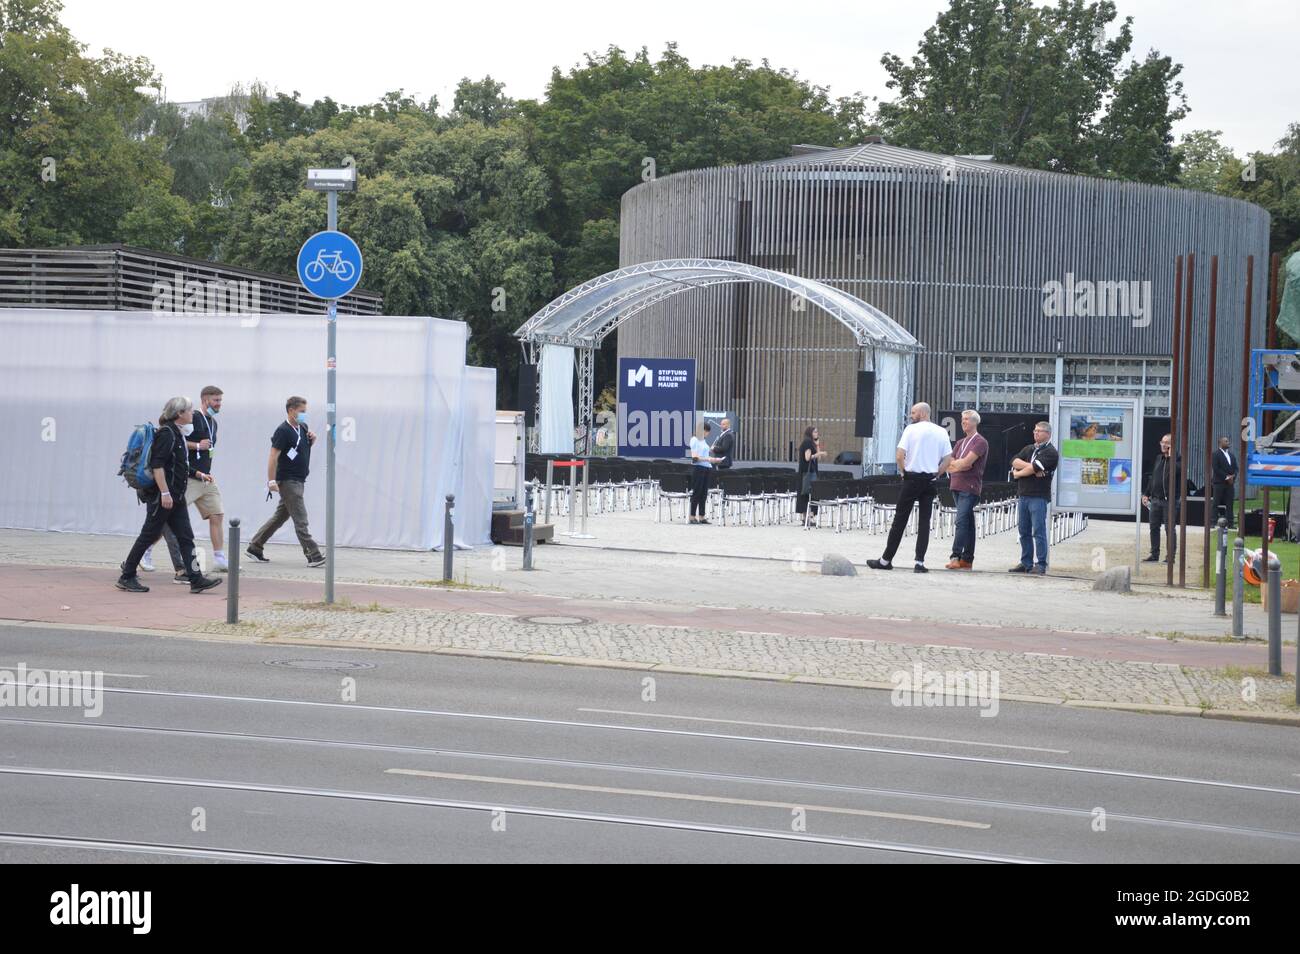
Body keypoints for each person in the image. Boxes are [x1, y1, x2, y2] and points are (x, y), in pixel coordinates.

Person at [116, 397, 223, 594]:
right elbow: (157, 465)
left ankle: (196, 578)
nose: (192, 414)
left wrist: (198, 474)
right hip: (163, 498)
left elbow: (179, 465)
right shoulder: (167, 434)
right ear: (179, 413)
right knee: (148, 535)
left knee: (186, 537)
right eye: (189, 411)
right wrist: (165, 493)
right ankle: (127, 575)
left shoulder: (177, 433)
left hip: (177, 497)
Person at [867, 403, 952, 572]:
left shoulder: (911, 430)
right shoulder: (941, 432)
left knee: (900, 520)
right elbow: (948, 459)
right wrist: (937, 474)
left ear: (923, 413)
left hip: (911, 479)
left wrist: (903, 471)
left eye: (913, 412)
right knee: (924, 522)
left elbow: (899, 455)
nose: (911, 415)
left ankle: (885, 560)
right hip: (930, 481)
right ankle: (919, 563)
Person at [246, 396, 324, 567]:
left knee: (279, 517)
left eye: (305, 411)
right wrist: (271, 480)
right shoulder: (282, 431)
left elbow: (299, 449)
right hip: (288, 481)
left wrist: (312, 440)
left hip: (299, 479)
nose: (304, 415)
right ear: (291, 410)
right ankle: (313, 554)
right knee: (301, 519)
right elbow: (273, 456)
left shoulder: (303, 427)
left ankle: (255, 547)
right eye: (301, 411)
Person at [184, 385, 227, 571]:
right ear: (204, 400)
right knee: (169, 518)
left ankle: (219, 559)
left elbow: (209, 450)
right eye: (215, 400)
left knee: (217, 514)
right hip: (189, 477)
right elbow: (175, 441)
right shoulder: (192, 417)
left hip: (205, 478)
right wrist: (197, 446)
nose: (219, 404)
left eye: (220, 400)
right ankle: (146, 552)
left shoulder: (213, 423)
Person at [1009, 421, 1059, 575]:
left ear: (1048, 434)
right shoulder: (1029, 448)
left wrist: (1018, 473)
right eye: (1035, 430)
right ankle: (1026, 562)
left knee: (1038, 531)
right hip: (1024, 494)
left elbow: (1030, 468)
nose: (1035, 433)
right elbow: (1014, 460)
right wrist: (1032, 468)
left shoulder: (1051, 452)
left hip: (1038, 496)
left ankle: (1041, 564)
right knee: (1023, 531)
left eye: (1039, 431)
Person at [945, 409, 989, 570]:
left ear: (975, 422)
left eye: (967, 419)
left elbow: (966, 463)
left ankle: (955, 556)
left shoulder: (980, 442)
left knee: (961, 521)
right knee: (968, 523)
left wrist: (959, 464)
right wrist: (959, 465)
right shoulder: (960, 442)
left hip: (969, 487)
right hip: (956, 485)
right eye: (962, 419)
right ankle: (967, 559)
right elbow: (949, 464)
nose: (963, 422)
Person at [1142, 433, 1182, 563]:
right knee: (1154, 527)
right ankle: (1154, 554)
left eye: (1167, 443)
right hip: (1155, 500)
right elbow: (1154, 478)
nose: (1163, 445)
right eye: (1162, 442)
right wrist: (1146, 494)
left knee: (1169, 529)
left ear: (1172, 445)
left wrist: (1170, 457)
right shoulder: (1159, 458)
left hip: (1169, 501)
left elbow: (1176, 471)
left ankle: (1170, 557)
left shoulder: (1178, 459)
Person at [688, 421, 721, 524]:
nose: (707, 434)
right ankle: (692, 516)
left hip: (707, 468)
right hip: (698, 468)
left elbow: (704, 454)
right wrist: (709, 459)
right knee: (697, 492)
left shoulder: (703, 441)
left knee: (704, 493)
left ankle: (702, 516)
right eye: (707, 431)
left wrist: (713, 459)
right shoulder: (694, 440)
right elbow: (695, 458)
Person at [796, 425, 827, 524]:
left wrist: (817, 446)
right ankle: (808, 517)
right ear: (810, 433)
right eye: (815, 432)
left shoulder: (811, 443)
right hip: (807, 473)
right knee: (809, 493)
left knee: (808, 494)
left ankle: (807, 518)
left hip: (809, 472)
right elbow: (807, 457)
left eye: (817, 432)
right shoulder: (807, 442)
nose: (817, 434)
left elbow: (818, 459)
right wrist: (820, 453)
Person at [1211, 434, 1238, 529]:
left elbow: (1236, 468)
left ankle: (1230, 523)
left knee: (1230, 503)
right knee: (1216, 502)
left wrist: (1233, 477)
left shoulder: (1231, 455)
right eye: (1226, 441)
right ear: (1220, 443)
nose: (1228, 442)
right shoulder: (1216, 454)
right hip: (1219, 482)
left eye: (1228, 441)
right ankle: (1213, 522)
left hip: (1230, 484)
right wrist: (1226, 477)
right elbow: (1216, 468)